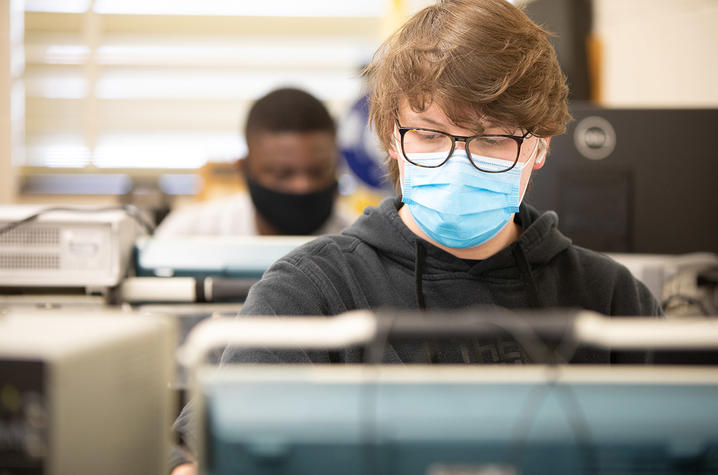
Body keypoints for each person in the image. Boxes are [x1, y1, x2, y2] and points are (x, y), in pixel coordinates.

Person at [170, 0, 661, 472]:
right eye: (429, 134)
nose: (457, 160)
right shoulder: (312, 290)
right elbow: (197, 454)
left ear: (540, 148)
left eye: (492, 139)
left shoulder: (613, 300)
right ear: (390, 135)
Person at [155, 87, 351, 237]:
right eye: (283, 174)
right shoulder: (189, 235)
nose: (302, 186)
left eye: (317, 172)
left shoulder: (358, 244)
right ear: (244, 168)